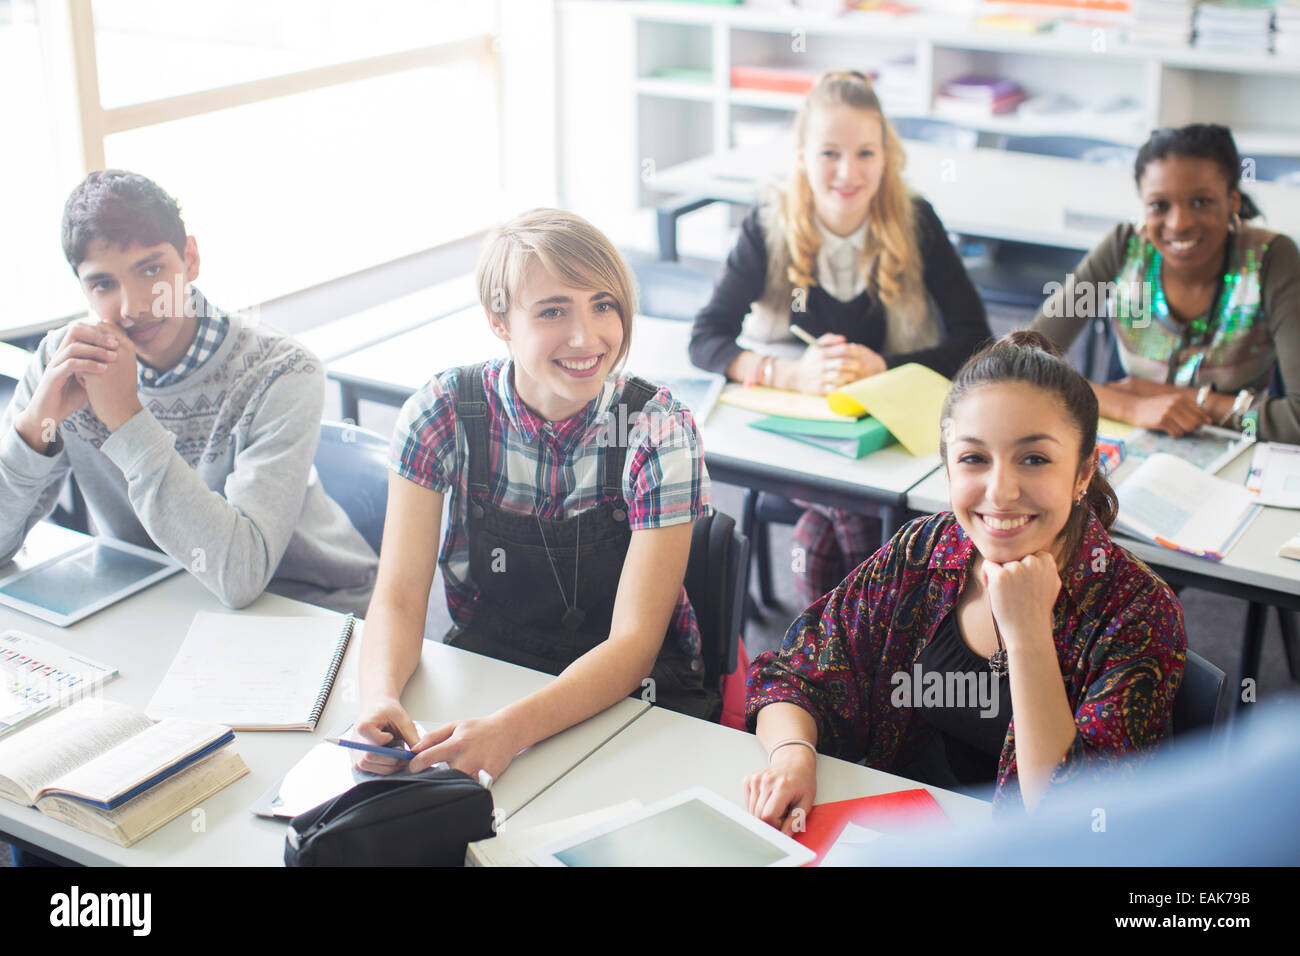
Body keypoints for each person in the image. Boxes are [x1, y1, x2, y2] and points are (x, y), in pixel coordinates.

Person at [742, 331, 1186, 830]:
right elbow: (800, 670)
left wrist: (1028, 636)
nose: (1001, 491)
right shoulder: (928, 549)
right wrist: (792, 753)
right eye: (974, 458)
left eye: (1034, 459)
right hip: (907, 830)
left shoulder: (1138, 610)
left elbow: (1078, 820)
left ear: (1083, 473)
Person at [353, 208, 717, 785]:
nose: (587, 337)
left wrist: (511, 729)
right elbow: (398, 597)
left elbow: (633, 646)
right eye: (553, 311)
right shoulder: (442, 412)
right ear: (499, 321)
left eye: (604, 304)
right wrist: (378, 697)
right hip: (491, 665)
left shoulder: (658, 429)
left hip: (633, 693)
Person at [0, 171, 377, 615]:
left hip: (306, 606)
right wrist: (30, 432)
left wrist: (126, 419)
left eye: (152, 269)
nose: (134, 306)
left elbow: (241, 577)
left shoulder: (282, 370)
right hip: (163, 603)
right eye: (104, 284)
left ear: (190, 259)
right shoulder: (63, 362)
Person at [688, 70, 990, 607]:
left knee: (819, 536)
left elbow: (975, 340)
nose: (848, 173)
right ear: (802, 156)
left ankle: (831, 666)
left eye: (865, 154)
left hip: (888, 438)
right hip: (797, 435)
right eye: (829, 153)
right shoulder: (767, 225)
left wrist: (886, 367)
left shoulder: (916, 221)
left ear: (886, 157)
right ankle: (876, 653)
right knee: (855, 525)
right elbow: (706, 338)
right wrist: (788, 373)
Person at [1031, 123, 1300, 441]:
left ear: (1233, 202)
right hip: (1129, 437)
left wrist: (1193, 402)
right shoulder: (1123, 246)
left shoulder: (1271, 258)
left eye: (1201, 202)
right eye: (1159, 205)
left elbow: (1295, 421)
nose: (1179, 223)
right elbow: (1021, 362)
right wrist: (1130, 406)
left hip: (1234, 445)